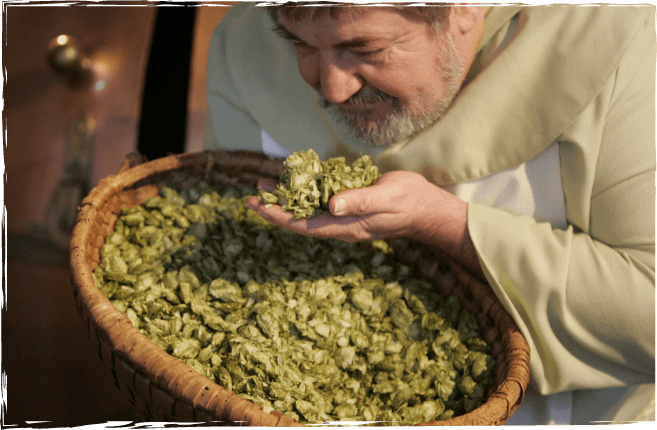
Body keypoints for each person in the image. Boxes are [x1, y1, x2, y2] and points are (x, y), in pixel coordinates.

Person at [203, 1, 656, 425]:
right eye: (299, 43)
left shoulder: (620, 39)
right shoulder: (247, 42)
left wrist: (444, 222)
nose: (333, 88)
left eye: (365, 49)